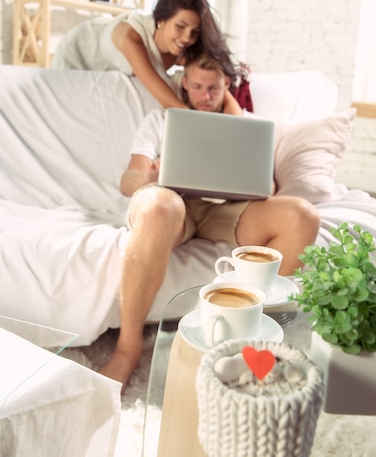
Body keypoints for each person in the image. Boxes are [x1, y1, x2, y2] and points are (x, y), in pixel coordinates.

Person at [99, 52, 321, 393]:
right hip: (173, 207)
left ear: (227, 86)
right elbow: (128, 182)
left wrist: (246, 176)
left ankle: (252, 340)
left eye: (213, 87)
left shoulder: (245, 124)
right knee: (159, 206)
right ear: (184, 83)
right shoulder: (161, 120)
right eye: (197, 86)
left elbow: (272, 189)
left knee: (302, 216)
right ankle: (127, 349)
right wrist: (149, 174)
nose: (204, 95)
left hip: (226, 211)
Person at [51, 0, 243, 114]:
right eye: (180, 26)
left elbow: (215, 82)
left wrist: (236, 127)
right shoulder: (131, 37)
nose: (187, 38)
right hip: (81, 49)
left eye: (195, 31)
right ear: (161, 20)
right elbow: (170, 103)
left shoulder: (185, 45)